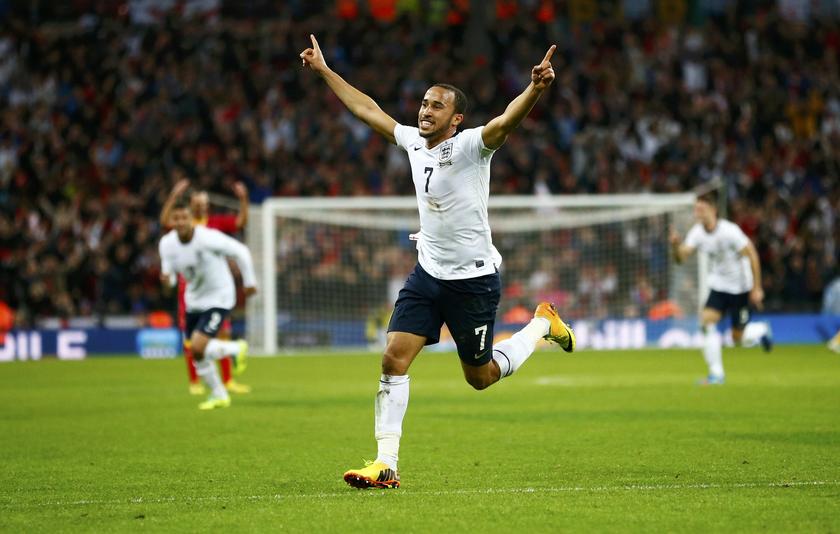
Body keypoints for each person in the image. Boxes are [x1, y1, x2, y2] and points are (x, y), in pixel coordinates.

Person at [300, 34, 575, 489]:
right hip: (427, 273)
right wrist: (326, 71)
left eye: (436, 106)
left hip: (472, 282)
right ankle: (386, 463)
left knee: (481, 377)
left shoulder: (471, 147)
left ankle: (542, 325)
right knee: (393, 359)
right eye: (424, 103)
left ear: (456, 119)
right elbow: (369, 110)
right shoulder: (411, 142)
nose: (425, 111)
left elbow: (505, 123)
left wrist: (535, 90)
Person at [158, 198, 257, 410]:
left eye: (184, 217)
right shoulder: (166, 245)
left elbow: (241, 251)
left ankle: (232, 351)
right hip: (193, 300)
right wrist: (168, 281)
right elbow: (172, 278)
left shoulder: (208, 238)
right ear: (172, 221)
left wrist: (249, 282)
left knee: (198, 345)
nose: (181, 222)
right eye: (176, 218)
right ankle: (220, 392)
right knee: (196, 352)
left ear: (191, 219)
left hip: (219, 296)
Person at [670, 192, 773, 385]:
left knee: (737, 339)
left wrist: (757, 288)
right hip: (719, 286)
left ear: (713, 210)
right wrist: (676, 246)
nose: (697, 212)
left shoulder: (729, 231)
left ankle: (760, 330)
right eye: (696, 209)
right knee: (706, 321)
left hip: (741, 288)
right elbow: (680, 258)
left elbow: (752, 255)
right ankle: (716, 374)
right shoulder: (697, 233)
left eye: (701, 208)